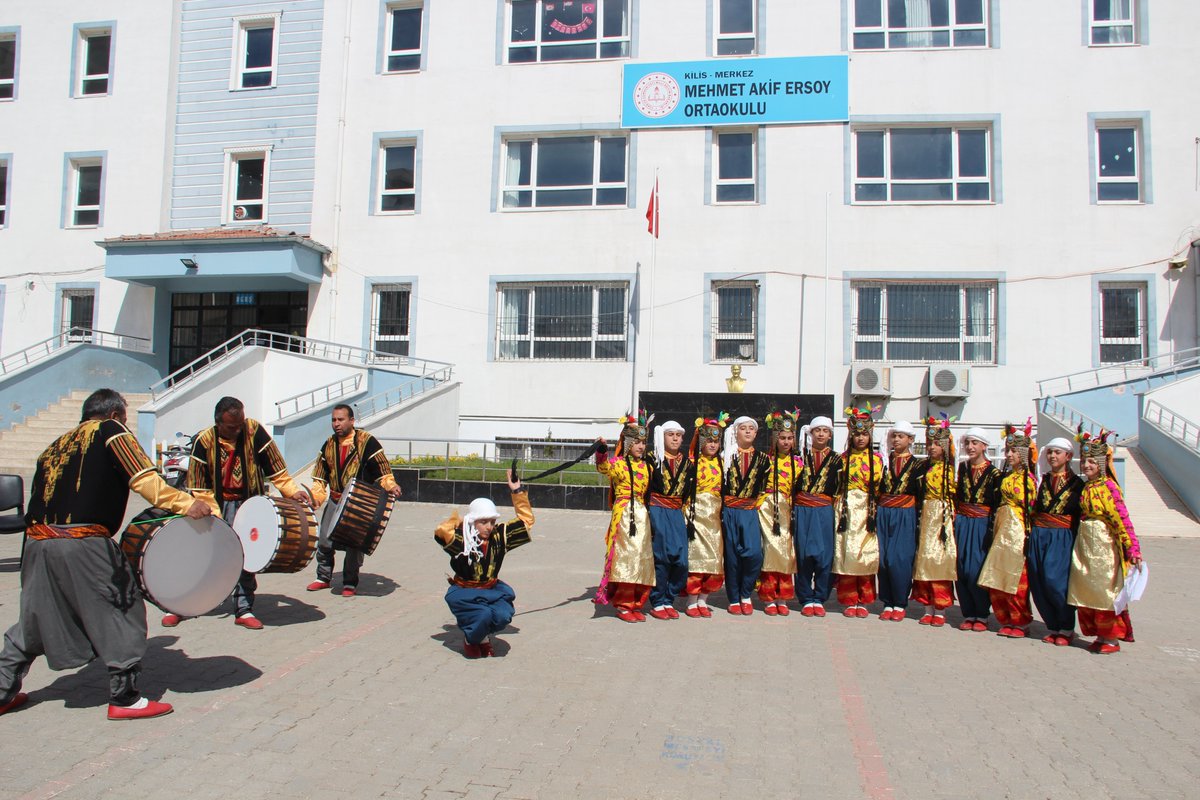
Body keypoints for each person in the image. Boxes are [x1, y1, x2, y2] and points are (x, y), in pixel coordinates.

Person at [0, 389, 211, 719]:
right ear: (114, 415)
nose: (125, 423)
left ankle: (2, 692)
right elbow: (145, 481)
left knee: (33, 620)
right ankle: (125, 698)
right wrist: (186, 503)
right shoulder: (111, 431)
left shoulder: (54, 445)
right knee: (121, 610)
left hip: (37, 544)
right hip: (83, 543)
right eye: (124, 418)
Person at [166, 397, 311, 630]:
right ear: (218, 423)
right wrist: (215, 515)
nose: (237, 430)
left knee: (246, 557)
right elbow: (198, 484)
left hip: (249, 505)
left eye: (240, 424)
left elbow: (275, 467)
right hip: (213, 505)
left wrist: (291, 491)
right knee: (202, 555)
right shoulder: (205, 440)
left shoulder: (254, 431)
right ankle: (181, 606)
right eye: (231, 426)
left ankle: (244, 609)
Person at [434, 470, 532, 658]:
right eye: (483, 522)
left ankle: (481, 636)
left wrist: (517, 491)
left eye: (492, 522)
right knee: (482, 616)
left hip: (492, 589)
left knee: (503, 615)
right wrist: (463, 521)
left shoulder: (499, 536)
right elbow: (441, 531)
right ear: (473, 522)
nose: (489, 527)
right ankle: (472, 639)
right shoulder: (462, 540)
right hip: (465, 592)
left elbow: (526, 522)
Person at [306, 404, 402, 597]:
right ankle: (323, 577)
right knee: (324, 540)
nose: (336, 424)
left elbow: (382, 469)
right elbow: (320, 478)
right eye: (333, 420)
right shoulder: (328, 444)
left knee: (354, 544)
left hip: (358, 501)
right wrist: (316, 498)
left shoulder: (366, 442)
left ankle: (350, 582)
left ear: (351, 421)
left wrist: (390, 485)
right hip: (335, 499)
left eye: (340, 420)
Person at [1067, 430, 1143, 654]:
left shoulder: (1109, 487)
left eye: (1091, 461)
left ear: (1101, 463)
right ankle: (1100, 635)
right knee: (1088, 589)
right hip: (1086, 544)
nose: (1086, 465)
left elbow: (1122, 519)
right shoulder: (1087, 486)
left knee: (1105, 591)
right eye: (1084, 461)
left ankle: (1111, 638)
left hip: (1105, 546)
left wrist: (1133, 549)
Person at [978, 420, 1037, 639]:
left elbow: (1031, 509)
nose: (1009, 454)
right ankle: (1005, 618)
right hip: (1001, 530)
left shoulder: (1029, 480)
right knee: (998, 575)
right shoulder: (1006, 477)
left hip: (1017, 530)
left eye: (1013, 451)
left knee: (1016, 578)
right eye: (1007, 450)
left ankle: (1020, 620)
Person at [594, 413, 656, 622]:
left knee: (641, 557)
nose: (641, 446)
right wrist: (602, 451)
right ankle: (623, 604)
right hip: (624, 515)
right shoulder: (618, 463)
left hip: (642, 515)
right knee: (625, 558)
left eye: (643, 442)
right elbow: (603, 468)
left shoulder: (648, 466)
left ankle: (636, 602)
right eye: (637, 442)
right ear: (628, 443)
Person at [1028, 437, 1084, 646]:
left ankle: (1066, 626)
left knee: (1056, 581)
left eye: (1057, 452)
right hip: (1039, 534)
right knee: (1039, 580)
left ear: (1068, 456)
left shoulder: (1077, 484)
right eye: (1050, 452)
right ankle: (1053, 626)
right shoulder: (1042, 480)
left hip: (1062, 536)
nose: (1052, 456)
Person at [834, 405, 884, 618]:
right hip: (846, 509)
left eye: (864, 434)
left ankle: (864, 600)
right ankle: (849, 599)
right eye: (857, 434)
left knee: (866, 554)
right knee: (847, 553)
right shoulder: (843, 458)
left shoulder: (877, 459)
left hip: (867, 509)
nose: (861, 438)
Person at [875, 419, 927, 622]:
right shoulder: (883, 461)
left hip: (905, 513)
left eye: (900, 436)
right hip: (884, 512)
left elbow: (921, 494)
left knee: (900, 559)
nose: (896, 440)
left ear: (910, 439)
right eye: (894, 436)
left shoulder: (918, 465)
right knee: (884, 559)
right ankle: (887, 602)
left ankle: (900, 602)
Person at [721, 416, 771, 615]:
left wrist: (756, 506)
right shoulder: (725, 457)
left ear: (756, 433)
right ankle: (734, 598)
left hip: (750, 511)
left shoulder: (763, 459)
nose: (748, 431)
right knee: (732, 557)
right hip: (730, 510)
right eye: (743, 428)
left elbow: (766, 487)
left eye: (751, 428)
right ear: (736, 432)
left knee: (753, 554)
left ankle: (746, 593)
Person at [793, 415, 841, 618]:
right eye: (817, 430)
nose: (821, 434)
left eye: (825, 431)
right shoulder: (800, 457)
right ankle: (805, 598)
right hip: (803, 509)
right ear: (810, 433)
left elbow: (839, 488)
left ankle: (820, 597)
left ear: (830, 435)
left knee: (824, 555)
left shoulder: (838, 459)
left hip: (824, 510)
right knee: (803, 554)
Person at [954, 427, 1001, 632]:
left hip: (981, 523)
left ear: (984, 446)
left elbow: (996, 503)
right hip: (963, 521)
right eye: (968, 443)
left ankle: (982, 614)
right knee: (961, 567)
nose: (970, 447)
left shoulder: (994, 473)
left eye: (975, 443)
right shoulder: (962, 467)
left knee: (976, 569)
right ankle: (968, 613)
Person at [911, 415, 957, 627]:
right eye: (929, 443)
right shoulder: (922, 466)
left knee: (940, 559)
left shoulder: (952, 469)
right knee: (924, 558)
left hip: (943, 513)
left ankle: (940, 608)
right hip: (926, 513)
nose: (932, 447)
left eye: (937, 444)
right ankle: (927, 607)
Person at [645, 420, 692, 620]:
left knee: (681, 560)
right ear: (661, 437)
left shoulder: (688, 463)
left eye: (678, 435)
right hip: (657, 510)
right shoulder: (651, 459)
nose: (675, 439)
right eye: (670, 434)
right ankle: (658, 601)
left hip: (677, 512)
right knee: (661, 558)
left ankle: (669, 598)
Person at [682, 415, 727, 617]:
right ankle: (692, 601)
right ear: (701, 441)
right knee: (696, 558)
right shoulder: (691, 462)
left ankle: (703, 599)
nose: (713, 445)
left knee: (714, 559)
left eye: (716, 441)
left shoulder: (723, 463)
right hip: (696, 515)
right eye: (709, 441)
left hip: (714, 517)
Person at [757, 411, 801, 616]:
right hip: (768, 509)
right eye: (782, 437)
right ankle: (768, 597)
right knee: (770, 551)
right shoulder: (765, 460)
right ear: (775, 438)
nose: (786, 442)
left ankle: (782, 597)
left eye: (789, 438)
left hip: (788, 509)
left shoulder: (799, 463)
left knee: (786, 551)